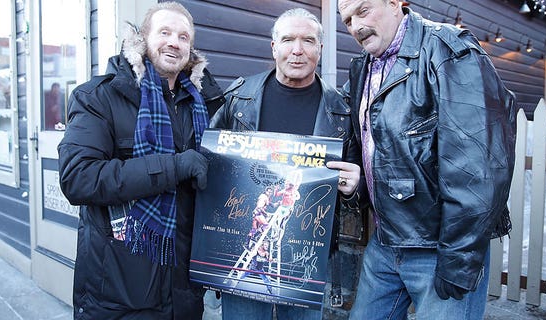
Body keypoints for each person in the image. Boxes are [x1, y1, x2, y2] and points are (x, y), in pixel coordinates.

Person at [337, 0, 516, 319]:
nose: (356, 26)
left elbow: (479, 168)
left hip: (440, 247)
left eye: (363, 11)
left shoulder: (449, 51)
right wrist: (360, 183)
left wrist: (458, 260)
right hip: (385, 242)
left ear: (395, 3)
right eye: (348, 19)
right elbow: (380, 150)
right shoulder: (362, 66)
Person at [58, 2, 224, 319]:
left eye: (184, 36)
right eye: (165, 32)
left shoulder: (206, 105)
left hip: (185, 287)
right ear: (142, 39)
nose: (174, 42)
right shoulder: (98, 97)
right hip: (120, 288)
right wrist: (174, 167)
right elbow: (78, 178)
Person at [210, 7, 362, 320]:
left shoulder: (341, 111)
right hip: (245, 252)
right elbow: (211, 170)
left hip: (307, 261)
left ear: (319, 49)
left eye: (308, 40)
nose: (297, 50)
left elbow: (355, 188)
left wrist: (352, 189)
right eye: (288, 39)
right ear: (274, 47)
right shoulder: (239, 98)